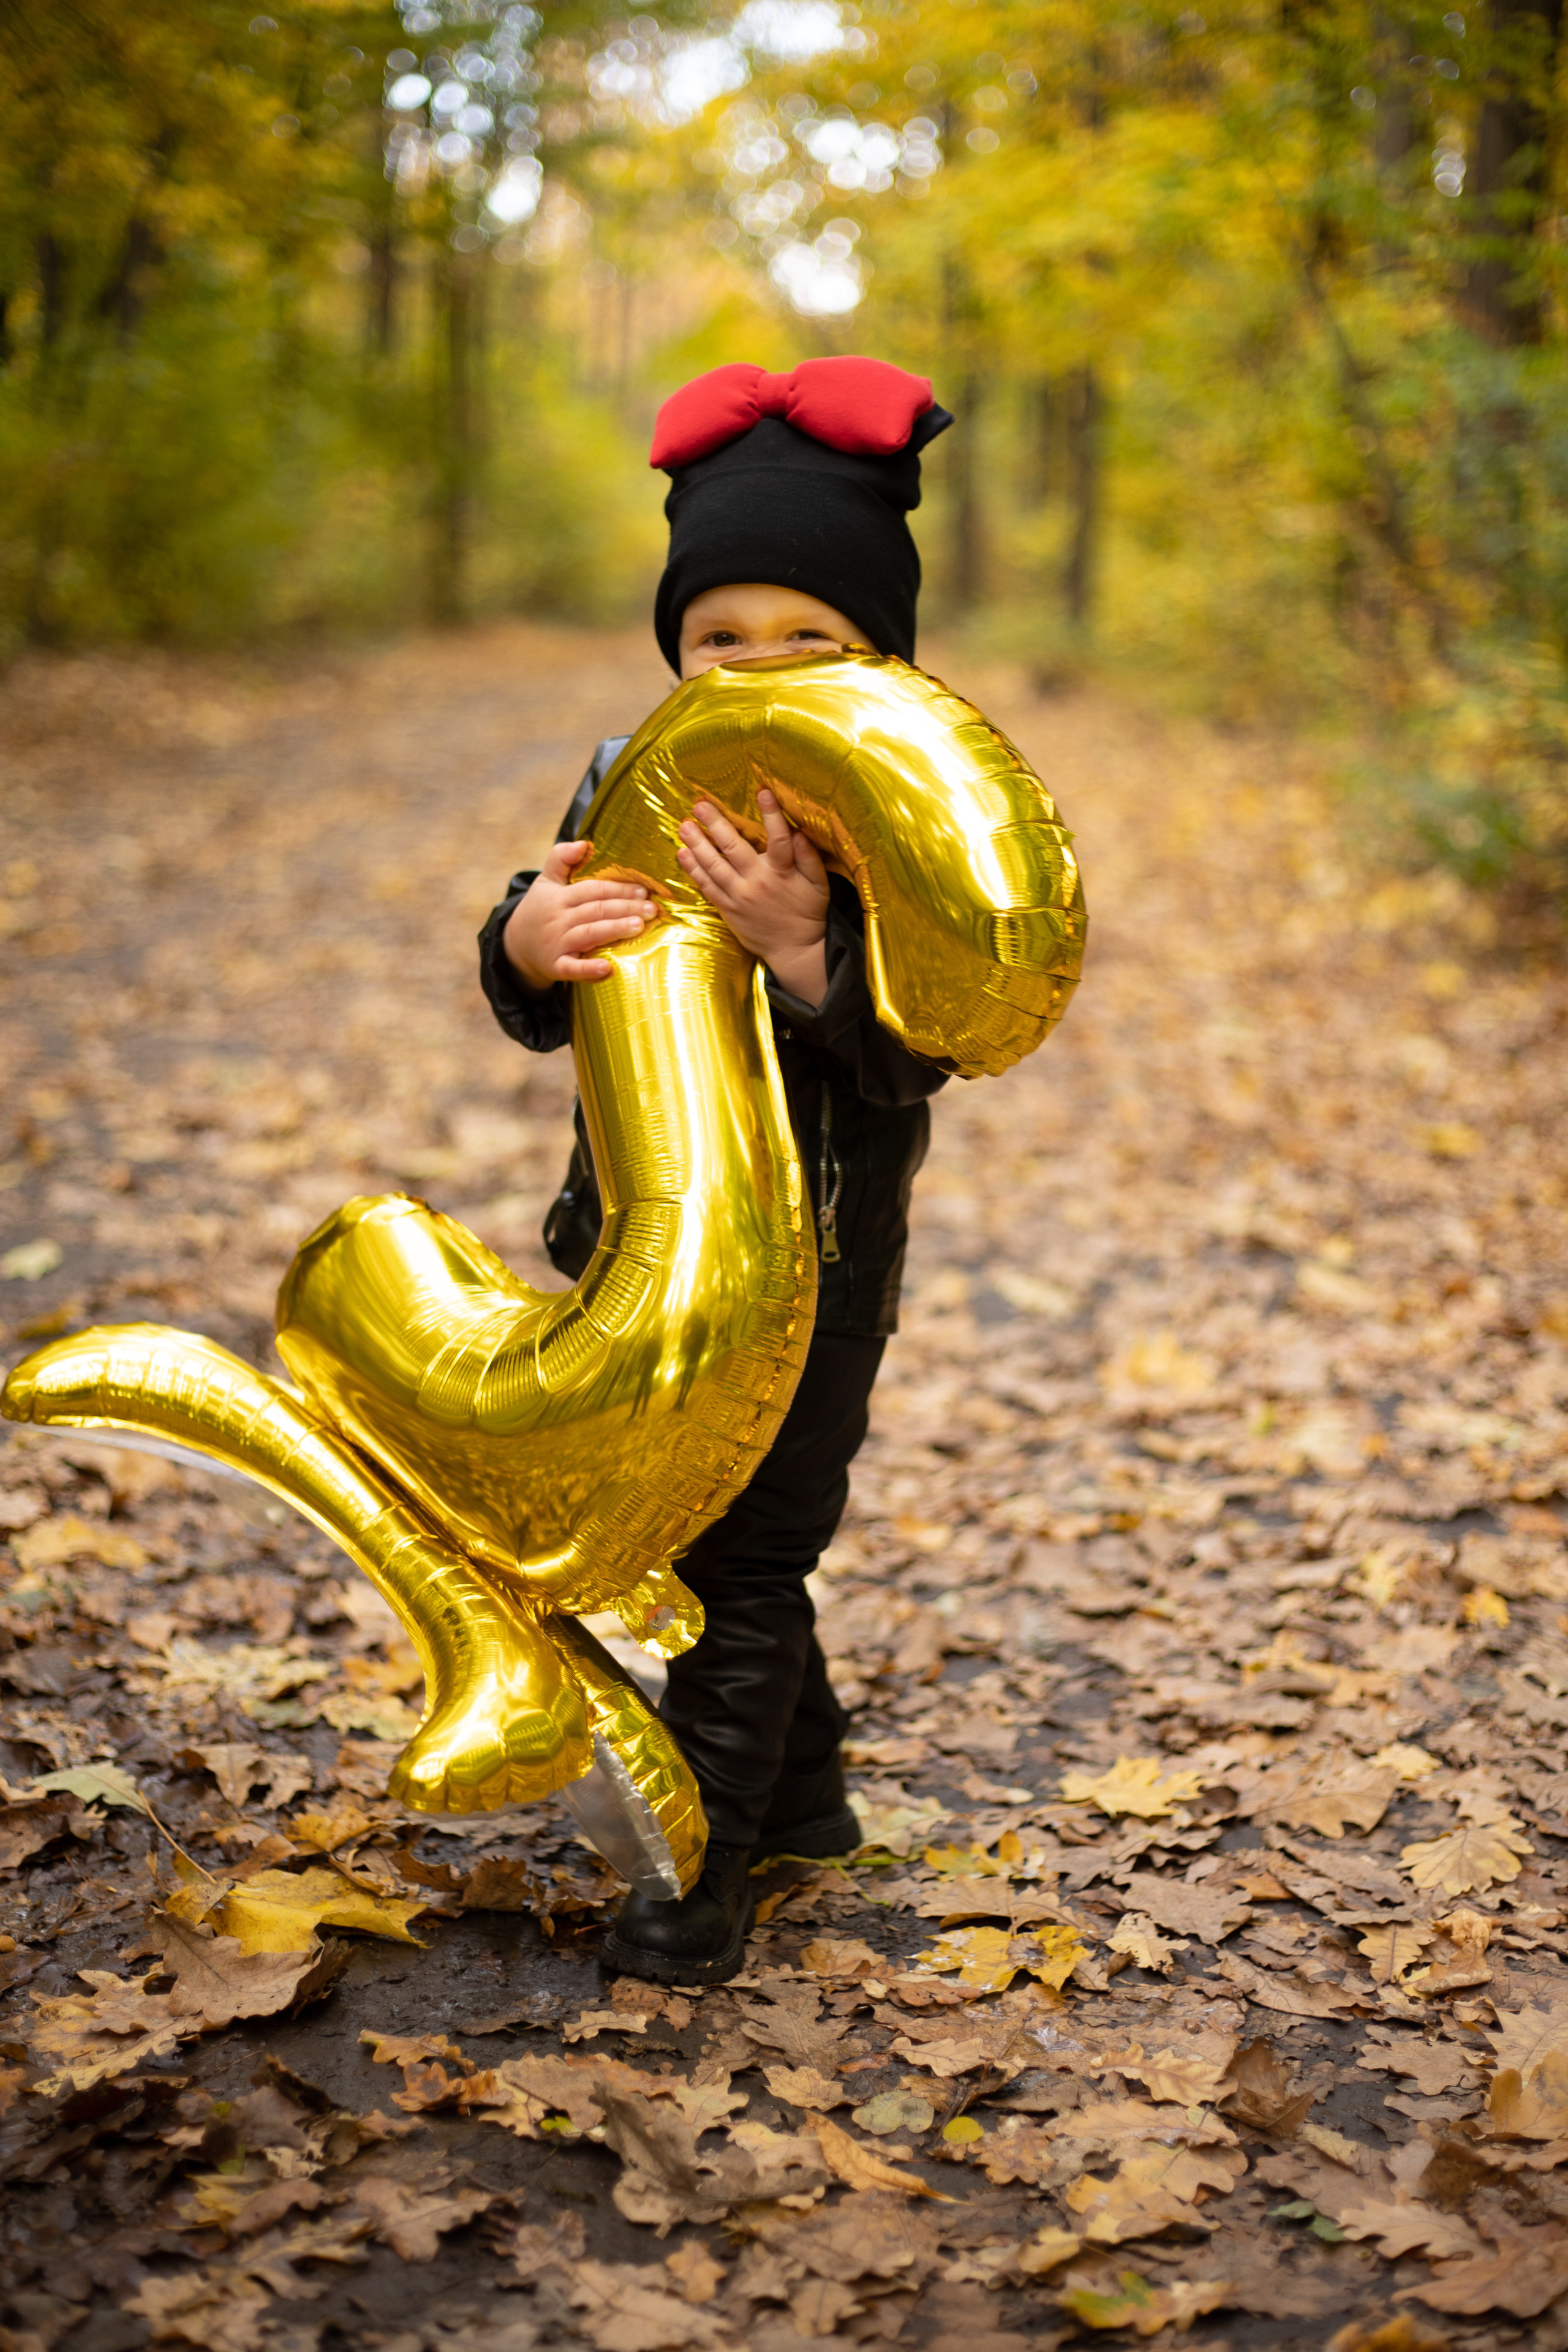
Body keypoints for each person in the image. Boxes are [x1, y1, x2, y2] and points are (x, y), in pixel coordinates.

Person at [477, 356, 952, 1983]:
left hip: (812, 1271)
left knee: (745, 1558)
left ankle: (702, 1875)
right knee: (714, 1549)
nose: (756, 669)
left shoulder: (900, 820)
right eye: (718, 638)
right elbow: (544, 989)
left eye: (808, 640)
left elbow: (919, 1047)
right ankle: (805, 1805)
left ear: (882, 659)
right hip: (640, 1248)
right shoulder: (631, 774)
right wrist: (529, 944)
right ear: (675, 651)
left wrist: (806, 952)